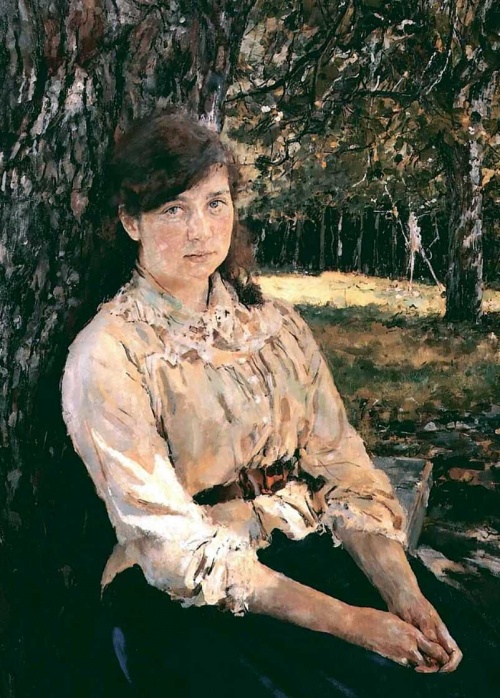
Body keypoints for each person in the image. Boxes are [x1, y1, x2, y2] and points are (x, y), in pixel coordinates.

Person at [61, 111, 498, 697]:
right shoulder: (108, 353)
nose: (200, 231)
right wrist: (355, 624)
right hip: (186, 596)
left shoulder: (275, 327)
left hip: (299, 543)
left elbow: (346, 471)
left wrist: (403, 594)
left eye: (215, 204)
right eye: (173, 210)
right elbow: (172, 549)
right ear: (129, 222)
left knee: (470, 655)